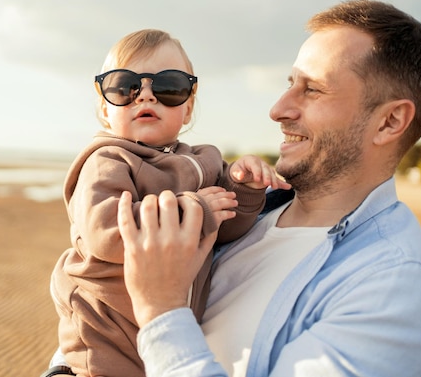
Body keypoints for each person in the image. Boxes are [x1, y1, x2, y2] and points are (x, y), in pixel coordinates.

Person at [116, 0, 421, 376]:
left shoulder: (401, 294)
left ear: (390, 121)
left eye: (312, 89)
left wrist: (161, 311)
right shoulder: (244, 209)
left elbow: (154, 308)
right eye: (290, 83)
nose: (278, 109)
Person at [43, 29, 287, 377]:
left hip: (167, 328)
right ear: (104, 109)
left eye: (169, 86)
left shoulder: (206, 161)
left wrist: (242, 187)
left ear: (188, 108)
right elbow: (109, 233)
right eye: (123, 86)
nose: (145, 96)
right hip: (105, 334)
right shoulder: (108, 161)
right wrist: (194, 209)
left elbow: (226, 228)